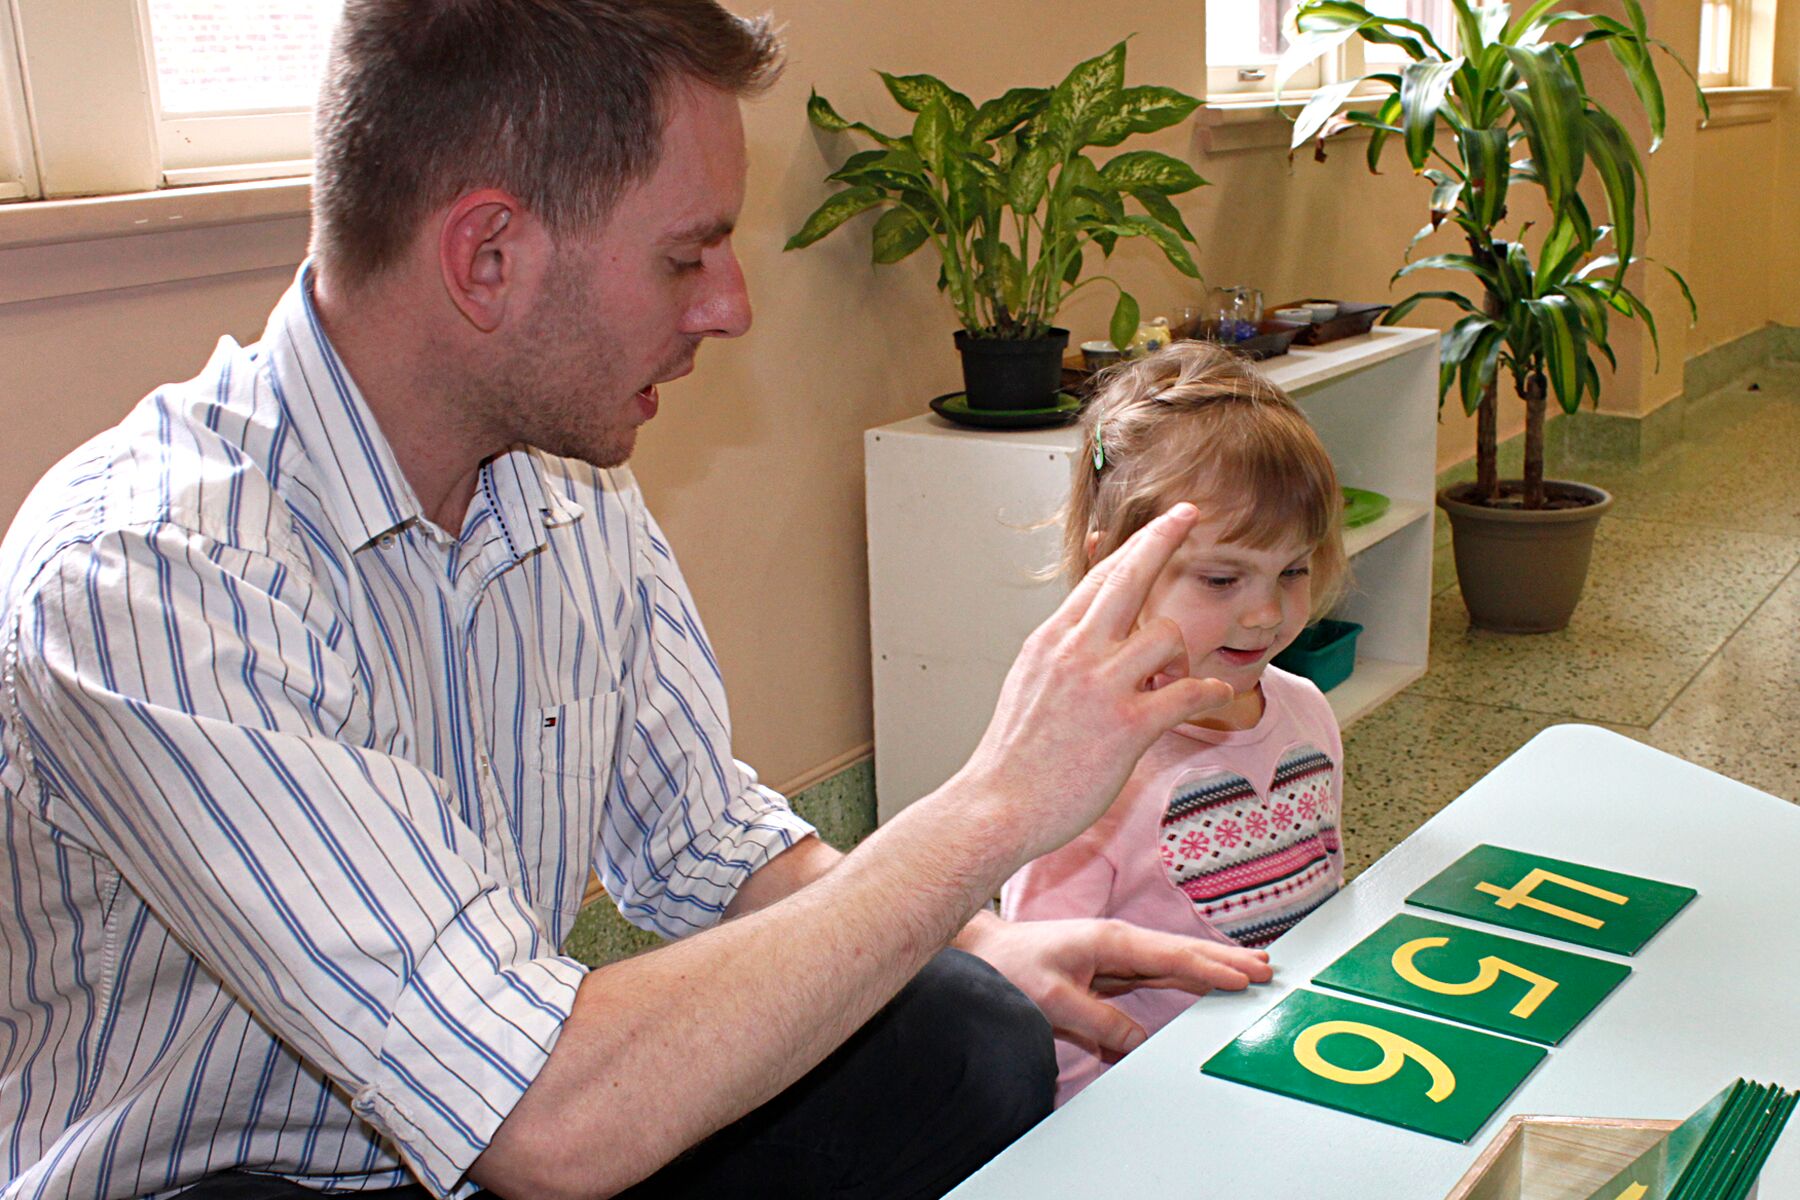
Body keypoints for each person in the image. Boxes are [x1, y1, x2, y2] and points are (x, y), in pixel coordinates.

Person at [0, 3, 1274, 1198]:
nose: (730, 307)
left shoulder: (568, 484)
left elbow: (709, 848)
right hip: (244, 1178)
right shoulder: (152, 576)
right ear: (487, 256)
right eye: (688, 256)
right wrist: (993, 808)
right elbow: (546, 1125)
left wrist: (980, 940)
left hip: (507, 1118)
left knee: (965, 1036)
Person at [1002, 342, 1350, 1107]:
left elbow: (1320, 896)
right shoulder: (1083, 771)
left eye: (1292, 571)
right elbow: (1045, 996)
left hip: (1297, 1071)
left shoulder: (1307, 710)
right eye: (1223, 578)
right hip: (1156, 1105)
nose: (1265, 613)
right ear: (1114, 566)